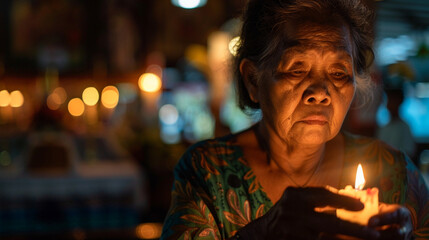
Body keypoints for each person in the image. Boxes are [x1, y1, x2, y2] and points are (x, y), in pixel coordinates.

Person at [161, 0, 429, 239]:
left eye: (338, 73)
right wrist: (263, 233)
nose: (320, 93)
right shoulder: (209, 171)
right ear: (253, 80)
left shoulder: (395, 174)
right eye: (297, 69)